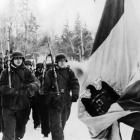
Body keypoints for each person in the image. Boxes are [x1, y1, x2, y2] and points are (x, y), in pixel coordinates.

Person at [0, 51, 40, 140]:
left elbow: (37, 83)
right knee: (9, 133)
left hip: (23, 106)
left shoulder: (27, 72)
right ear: (12, 60)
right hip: (8, 106)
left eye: (20, 58)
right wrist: (6, 89)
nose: (18, 60)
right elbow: (0, 86)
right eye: (16, 58)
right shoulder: (5, 72)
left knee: (20, 132)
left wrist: (30, 86)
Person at [43, 53, 80, 140]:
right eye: (60, 61)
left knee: (62, 124)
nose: (62, 63)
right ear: (56, 62)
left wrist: (75, 94)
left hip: (66, 103)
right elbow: (45, 89)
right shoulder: (50, 73)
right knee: (56, 127)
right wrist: (53, 95)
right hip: (54, 104)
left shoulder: (70, 72)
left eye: (64, 61)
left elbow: (75, 84)